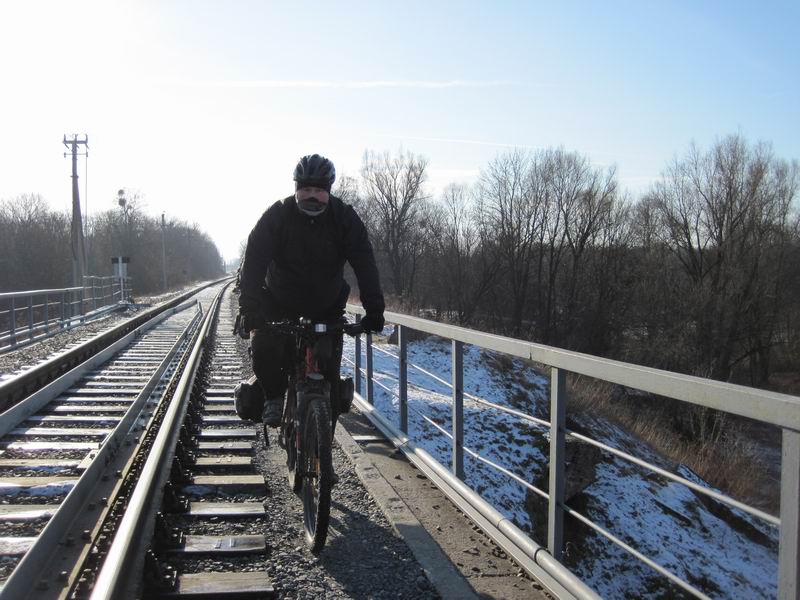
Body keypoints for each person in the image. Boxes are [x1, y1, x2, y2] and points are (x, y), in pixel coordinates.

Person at [237, 153, 385, 428]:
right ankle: (272, 396)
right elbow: (254, 261)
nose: (312, 196)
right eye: (306, 189)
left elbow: (365, 263)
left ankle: (322, 429)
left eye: (319, 190)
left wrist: (374, 310)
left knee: (329, 367)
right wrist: (249, 307)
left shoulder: (344, 219)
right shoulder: (277, 216)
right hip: (279, 300)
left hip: (326, 304)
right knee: (266, 349)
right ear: (296, 189)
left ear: (328, 191)